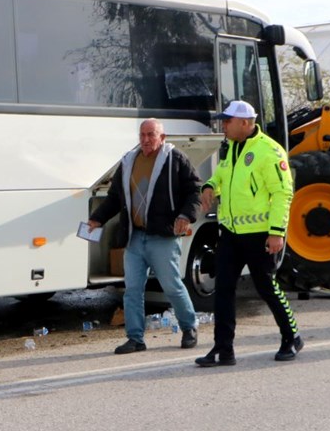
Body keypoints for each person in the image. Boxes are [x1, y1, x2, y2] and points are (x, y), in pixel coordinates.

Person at [195, 100, 302, 366]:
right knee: (223, 289)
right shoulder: (230, 148)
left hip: (260, 233)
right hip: (230, 232)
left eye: (227, 121)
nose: (224, 126)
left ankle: (291, 337)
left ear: (245, 123)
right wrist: (209, 186)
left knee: (267, 287)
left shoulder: (270, 151)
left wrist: (276, 232)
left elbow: (282, 193)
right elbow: (222, 176)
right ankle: (223, 349)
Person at [87, 118, 201, 354]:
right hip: (135, 237)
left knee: (171, 286)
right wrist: (97, 218)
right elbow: (115, 197)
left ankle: (190, 327)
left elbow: (194, 190)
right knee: (132, 290)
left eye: (151, 134)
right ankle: (135, 338)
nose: (146, 140)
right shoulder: (129, 161)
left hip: (163, 236)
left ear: (163, 137)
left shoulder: (175, 159)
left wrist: (185, 215)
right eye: (142, 135)